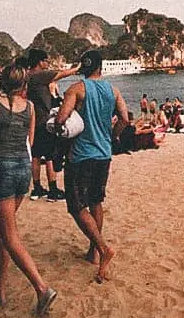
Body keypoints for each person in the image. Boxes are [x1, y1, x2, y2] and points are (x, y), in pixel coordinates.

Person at [0, 62, 57, 316]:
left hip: (1, 169)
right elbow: (30, 141)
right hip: (22, 170)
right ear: (23, 85)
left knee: (8, 234)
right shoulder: (29, 107)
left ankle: (42, 289)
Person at [55, 50, 130, 284]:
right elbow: (125, 119)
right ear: (101, 67)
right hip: (103, 154)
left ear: (83, 67)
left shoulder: (75, 89)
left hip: (80, 156)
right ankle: (93, 253)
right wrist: (113, 137)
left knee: (76, 206)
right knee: (96, 202)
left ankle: (102, 248)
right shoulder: (113, 90)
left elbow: (60, 119)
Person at [23, 49, 79, 202]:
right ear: (40, 62)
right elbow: (61, 74)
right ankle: (53, 190)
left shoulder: (27, 77)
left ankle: (37, 189)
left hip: (32, 121)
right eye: (46, 61)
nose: (47, 64)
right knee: (49, 156)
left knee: (35, 156)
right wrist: (77, 69)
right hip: (44, 122)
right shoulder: (40, 76)